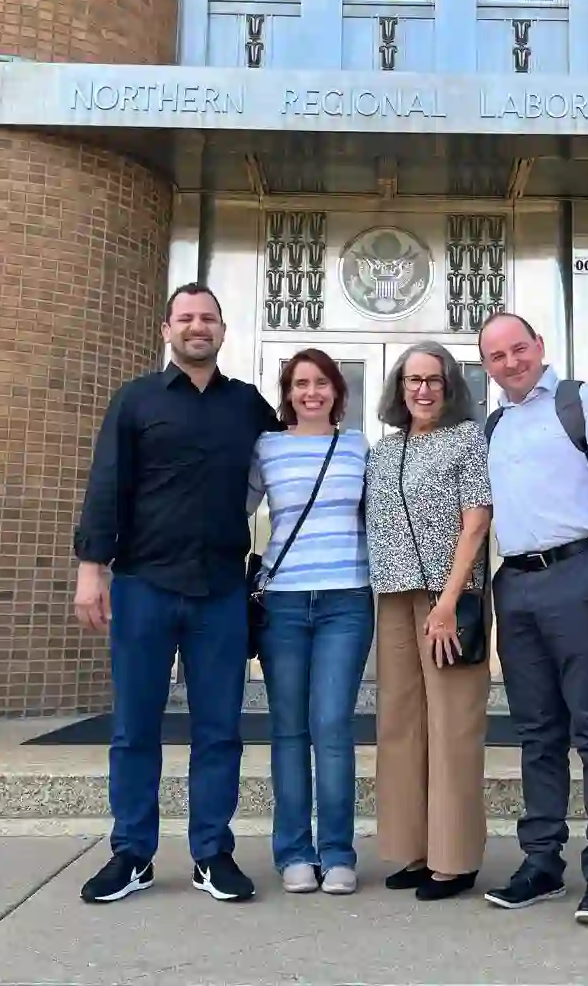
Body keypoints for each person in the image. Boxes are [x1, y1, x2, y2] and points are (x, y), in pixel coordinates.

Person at [71, 283, 280, 906]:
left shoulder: (249, 406)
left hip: (219, 590)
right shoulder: (135, 400)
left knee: (220, 731)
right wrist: (91, 568)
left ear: (222, 330)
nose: (197, 327)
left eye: (208, 318)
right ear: (167, 330)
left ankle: (212, 853)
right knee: (135, 727)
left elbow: (296, 460)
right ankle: (131, 854)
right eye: (186, 318)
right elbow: (106, 481)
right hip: (142, 585)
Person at [476, 312, 588, 927]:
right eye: (497, 357)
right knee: (537, 732)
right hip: (518, 585)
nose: (510, 363)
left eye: (518, 349)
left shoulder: (583, 403)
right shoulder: (494, 426)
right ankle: (542, 861)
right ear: (488, 367)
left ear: (540, 347)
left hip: (582, 577)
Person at [363, 341, 493, 902]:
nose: (423, 390)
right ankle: (413, 848)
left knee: (452, 724)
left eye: (433, 380)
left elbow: (477, 520)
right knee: (399, 723)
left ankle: (455, 858)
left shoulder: (468, 439)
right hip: (392, 596)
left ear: (449, 386)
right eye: (413, 380)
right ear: (399, 387)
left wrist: (448, 599)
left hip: (449, 600)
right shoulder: (382, 451)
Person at [246, 349, 373, 896]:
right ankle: (294, 852)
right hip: (284, 603)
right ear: (288, 392)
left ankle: (338, 852)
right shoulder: (266, 447)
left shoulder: (358, 446)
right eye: (301, 384)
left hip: (347, 599)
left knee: (332, 726)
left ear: (336, 391)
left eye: (321, 383)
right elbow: (234, 510)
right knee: (289, 731)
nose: (311, 393)